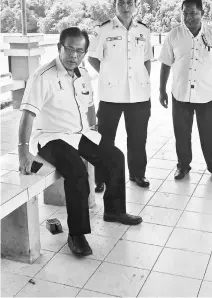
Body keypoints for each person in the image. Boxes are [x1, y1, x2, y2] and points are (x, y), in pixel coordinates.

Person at [18, 27, 142, 257]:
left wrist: (93, 128)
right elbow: (27, 115)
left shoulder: (83, 73)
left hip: (79, 133)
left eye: (80, 50)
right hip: (50, 137)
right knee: (76, 170)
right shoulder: (42, 76)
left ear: (85, 53)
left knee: (115, 157)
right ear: (59, 48)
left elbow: (90, 104)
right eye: (69, 49)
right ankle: (76, 234)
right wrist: (23, 153)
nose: (74, 55)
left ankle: (114, 210)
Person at [159, 0, 212, 183]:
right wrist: (161, 89)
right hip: (180, 94)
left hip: (206, 95)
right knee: (181, 134)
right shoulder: (174, 35)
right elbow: (166, 64)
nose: (188, 17)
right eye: (185, 13)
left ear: (202, 13)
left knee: (210, 135)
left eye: (193, 13)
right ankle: (183, 166)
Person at [88, 0, 152, 190]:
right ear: (114, 5)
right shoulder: (103, 29)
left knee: (138, 138)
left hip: (139, 95)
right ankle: (101, 178)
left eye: (129, 2)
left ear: (135, 4)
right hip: (111, 95)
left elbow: (147, 60)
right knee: (105, 139)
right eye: (121, 2)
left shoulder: (144, 30)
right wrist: (109, 75)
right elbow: (92, 57)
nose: (125, 6)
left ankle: (137, 174)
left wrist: (141, 79)